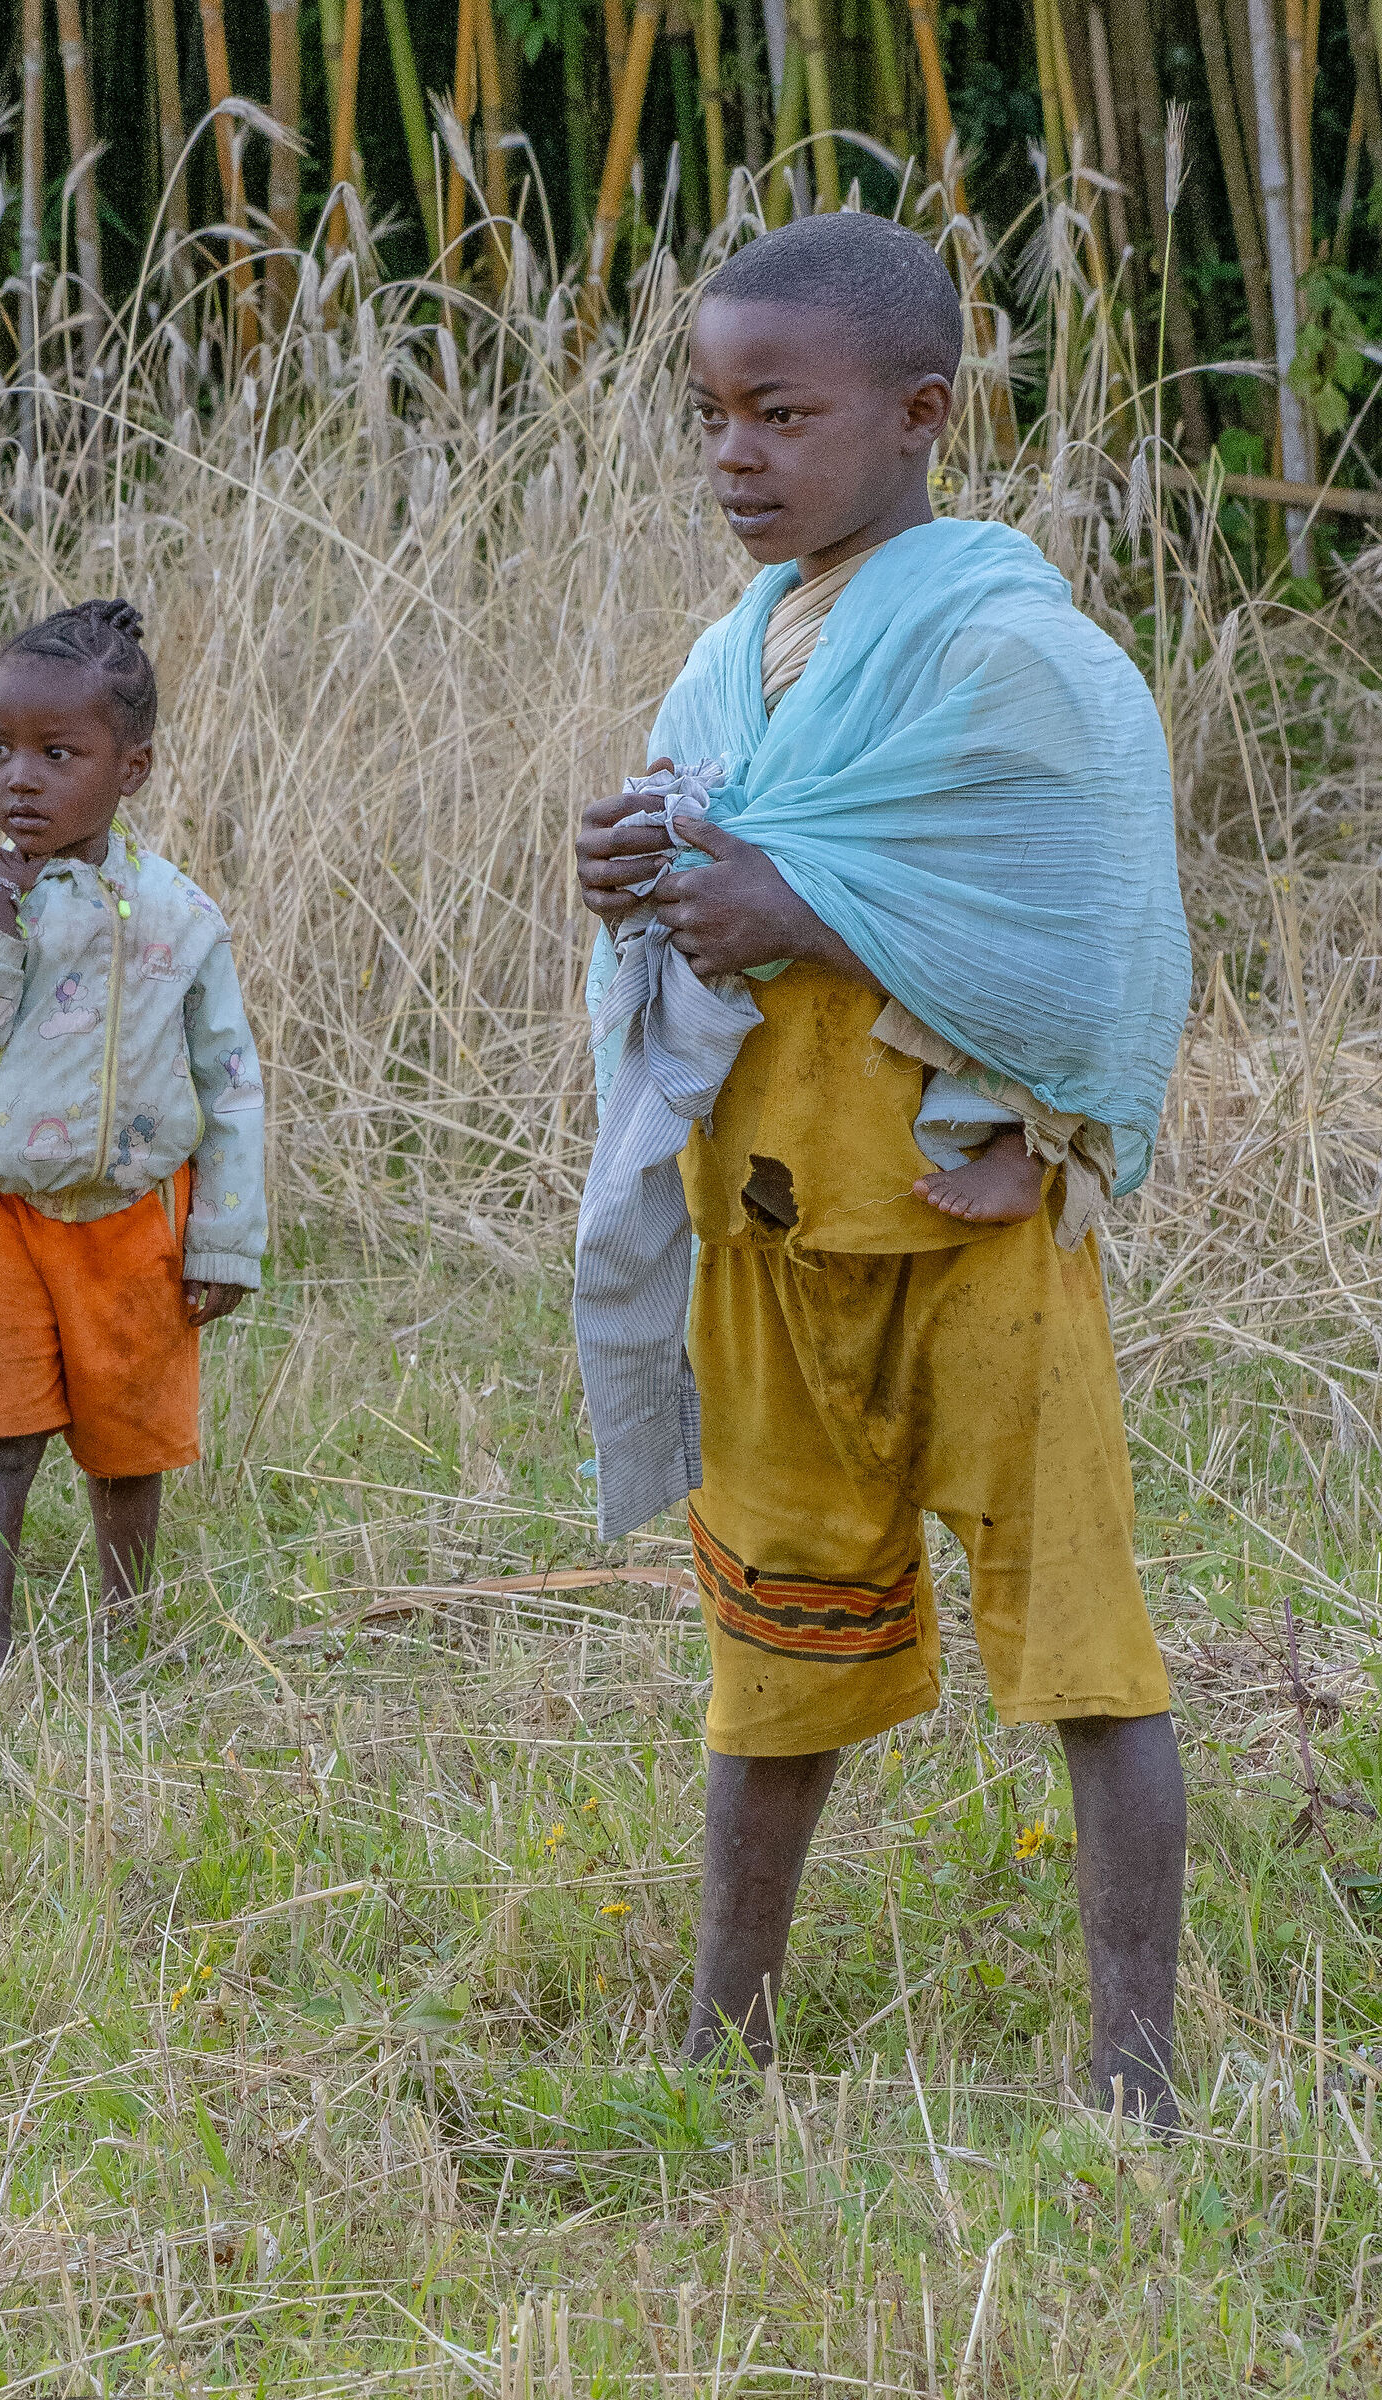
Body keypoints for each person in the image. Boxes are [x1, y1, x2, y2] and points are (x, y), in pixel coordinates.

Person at [573, 217, 1192, 2125]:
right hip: (769, 1236)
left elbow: (1090, 941)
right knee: (769, 1662)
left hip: (970, 1233)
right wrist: (635, 889)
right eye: (709, 416)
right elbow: (713, 892)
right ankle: (722, 2038)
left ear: (920, 414)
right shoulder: (730, 654)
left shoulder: (1018, 653)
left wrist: (803, 906)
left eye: (781, 412)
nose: (734, 456)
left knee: (1088, 1654)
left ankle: (1137, 2073)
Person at [0, 598, 266, 1676]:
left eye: (58, 753)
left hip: (134, 1223)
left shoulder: (180, 917)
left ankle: (123, 1640)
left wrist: (225, 1241)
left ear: (131, 768)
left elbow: (230, 1083)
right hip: (3, 1218)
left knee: (126, 1449)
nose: (21, 778)